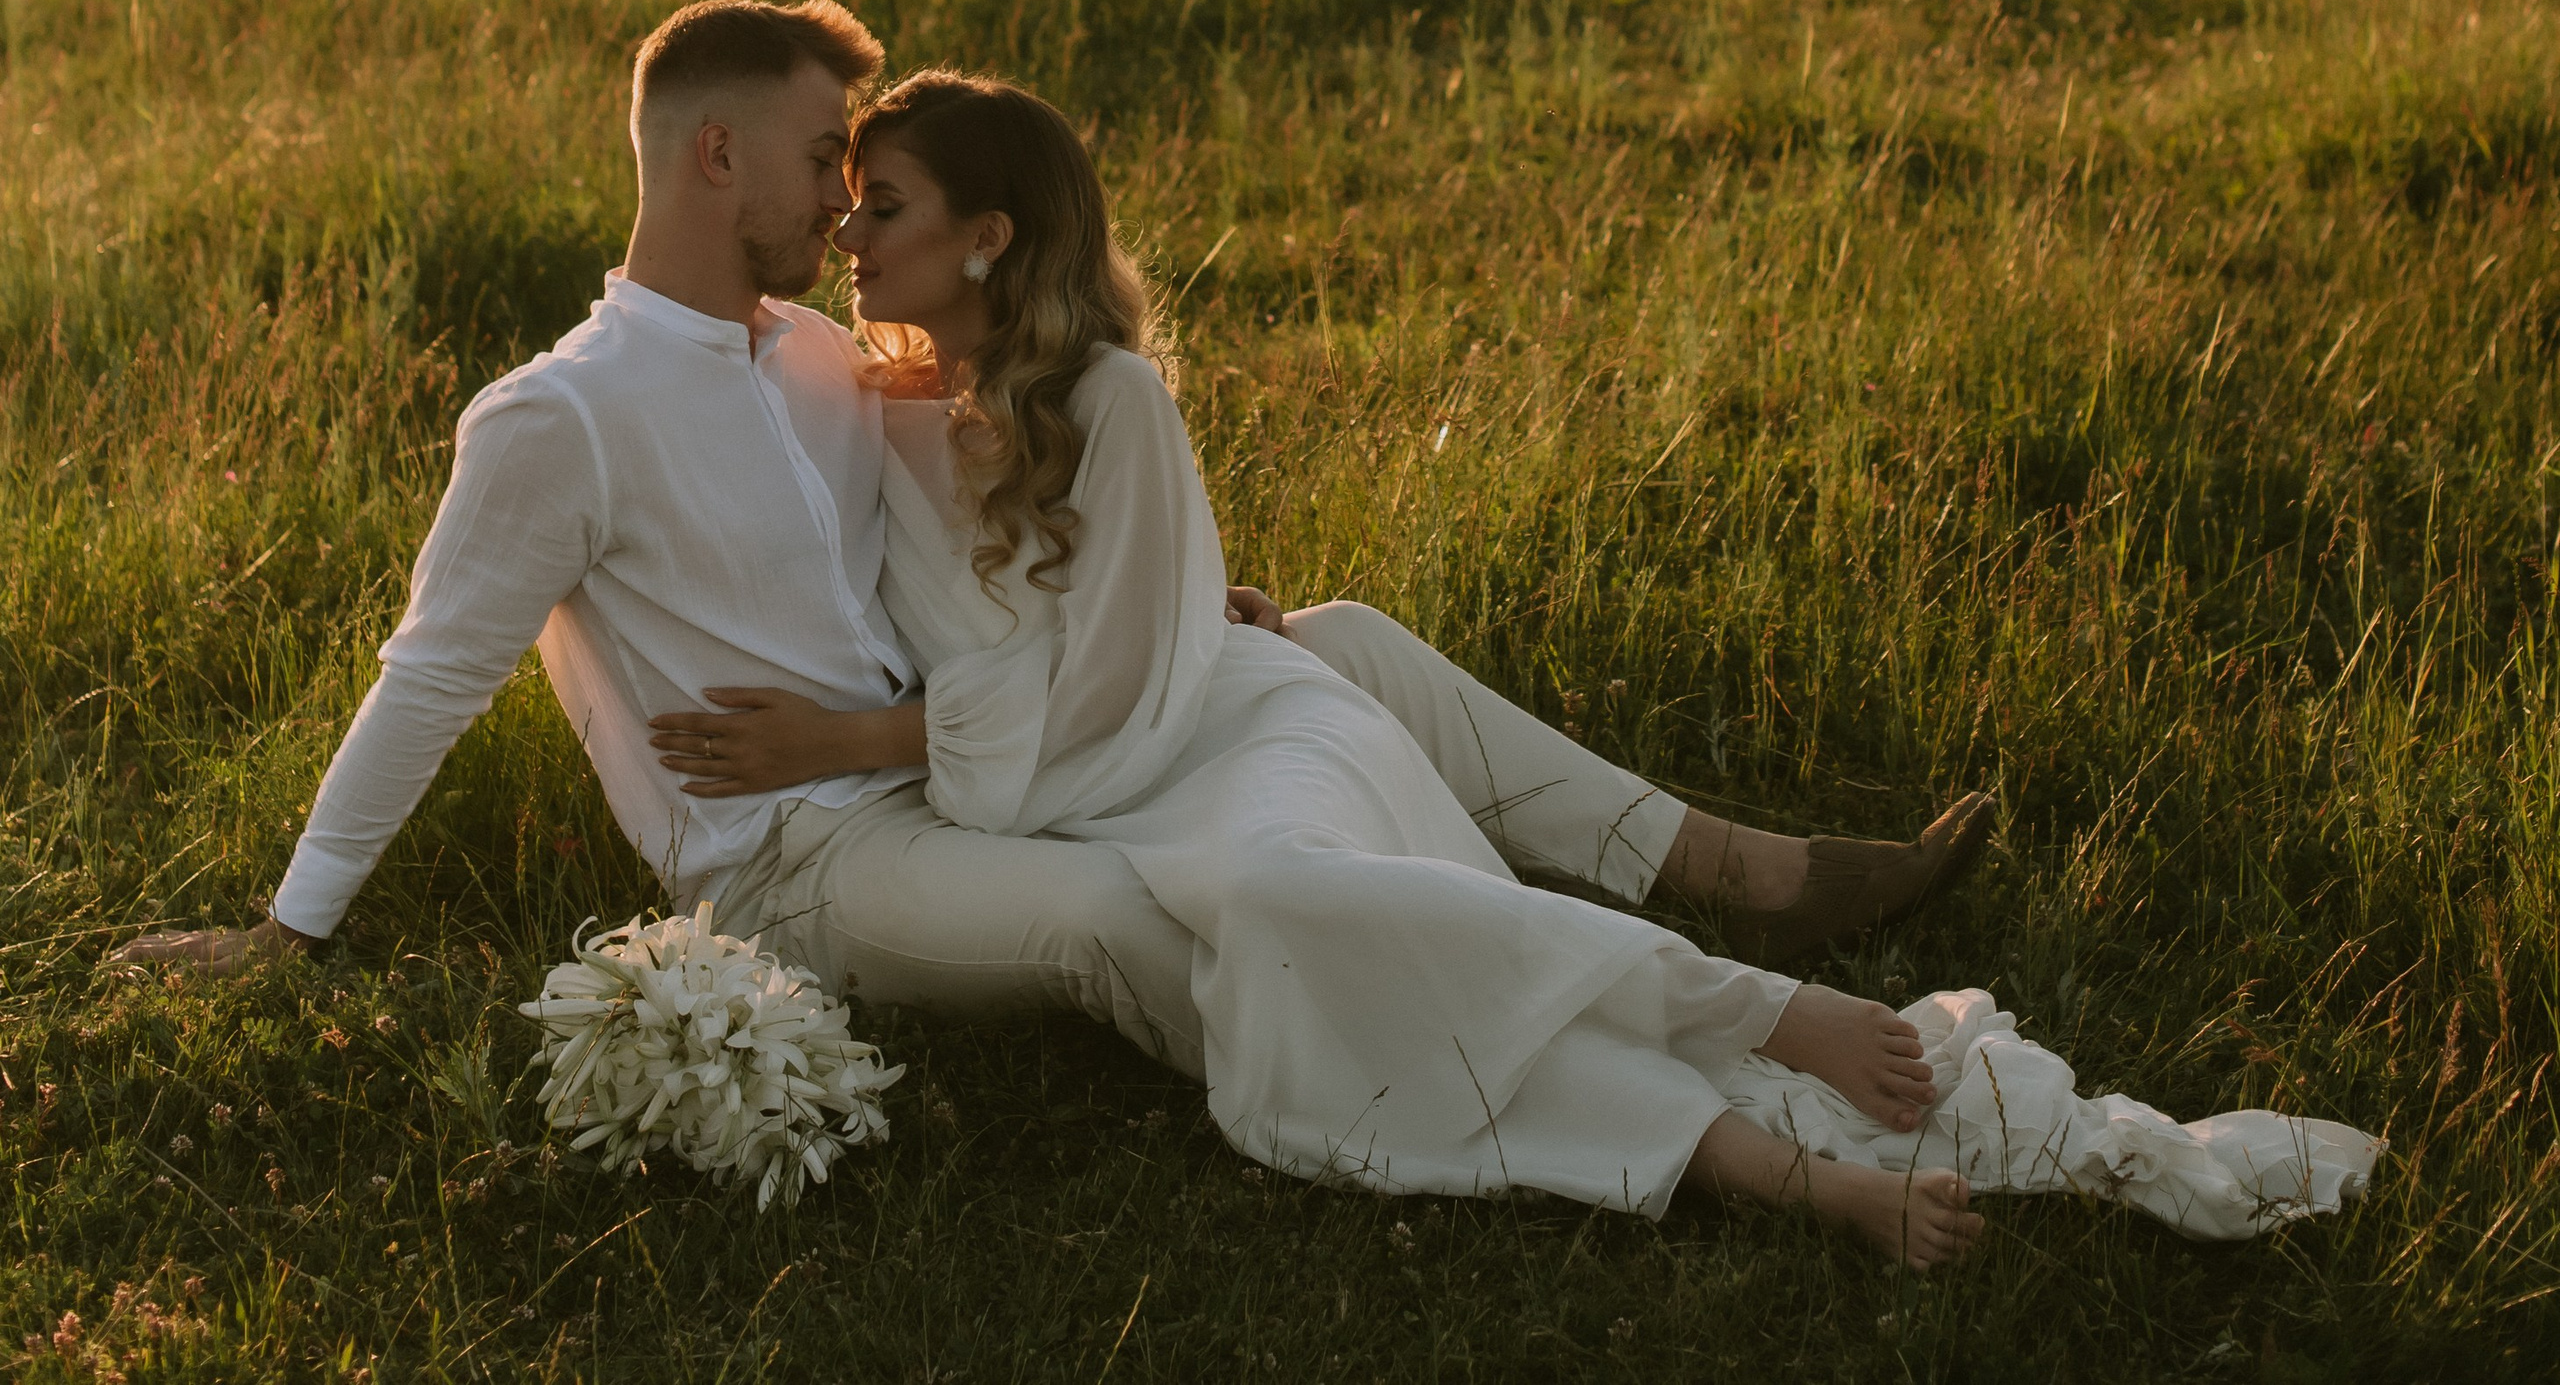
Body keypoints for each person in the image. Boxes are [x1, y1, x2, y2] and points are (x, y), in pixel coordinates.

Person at [647, 69, 2378, 1262]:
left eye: (884, 208)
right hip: (1074, 804)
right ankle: (1761, 1144)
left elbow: (1111, 685)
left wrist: (854, 732)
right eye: (847, 203)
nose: (851, 237)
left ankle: (1763, 1007)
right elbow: (706, 347)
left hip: (1191, 749)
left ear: (995, 234)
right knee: (1293, 929)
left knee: (1276, 885)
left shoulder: (1114, 402)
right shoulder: (854, 395)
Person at [109, 0, 1974, 1079]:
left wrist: (1169, 614)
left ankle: (1728, 872)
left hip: (981, 744)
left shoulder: (826, 355)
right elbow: (427, 673)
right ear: (714, 163)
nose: (850, 199)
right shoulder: (559, 419)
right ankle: (1600, 1054)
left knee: (1333, 641)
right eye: (828, 158)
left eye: (866, 173)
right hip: (804, 852)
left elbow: (1028, 483)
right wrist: (291, 930)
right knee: (1141, 918)